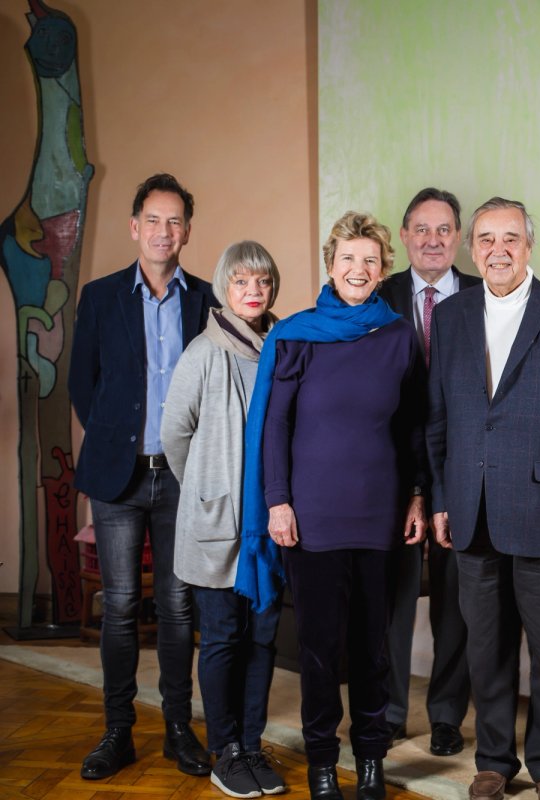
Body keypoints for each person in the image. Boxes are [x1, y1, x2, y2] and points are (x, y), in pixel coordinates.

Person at [426, 197, 540, 800]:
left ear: (530, 245)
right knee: (487, 647)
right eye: (485, 239)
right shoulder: (451, 316)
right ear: (471, 247)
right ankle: (494, 759)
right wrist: (438, 499)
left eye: (510, 238)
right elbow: (437, 421)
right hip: (471, 508)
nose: (497, 250)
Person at [237, 211, 427, 800]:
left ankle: (370, 759)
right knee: (321, 651)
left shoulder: (399, 336)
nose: (359, 269)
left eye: (370, 260)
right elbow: (274, 427)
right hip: (312, 516)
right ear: (329, 265)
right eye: (348, 258)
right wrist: (278, 503)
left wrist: (418, 494)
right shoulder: (295, 334)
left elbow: (414, 426)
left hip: (380, 515)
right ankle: (322, 761)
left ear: (383, 269)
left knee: (372, 650)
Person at [69, 173, 217, 781]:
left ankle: (178, 730)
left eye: (175, 221)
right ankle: (118, 730)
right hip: (119, 479)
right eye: (153, 220)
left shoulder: (207, 298)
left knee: (180, 607)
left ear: (187, 230)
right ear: (135, 227)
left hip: (182, 478)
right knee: (123, 604)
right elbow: (84, 383)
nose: (164, 231)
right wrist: (112, 439)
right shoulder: (102, 297)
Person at [161, 241, 286, 798]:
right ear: (223, 288)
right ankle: (225, 751)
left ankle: (252, 745)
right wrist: (208, 493)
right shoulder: (203, 352)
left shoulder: (282, 348)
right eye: (242, 282)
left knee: (262, 640)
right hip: (217, 526)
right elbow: (174, 435)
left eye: (261, 282)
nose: (253, 292)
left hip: (269, 526)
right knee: (221, 639)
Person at [378, 187, 480, 757]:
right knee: (392, 600)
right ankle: (391, 711)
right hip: (390, 469)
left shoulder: (481, 294)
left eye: (444, 230)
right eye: (422, 228)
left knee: (455, 602)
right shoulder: (378, 293)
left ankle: (446, 715)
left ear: (459, 237)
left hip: (463, 470)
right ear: (404, 235)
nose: (433, 239)